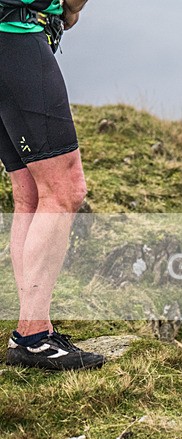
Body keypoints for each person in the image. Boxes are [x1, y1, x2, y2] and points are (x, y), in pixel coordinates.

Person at [1, 0, 105, 370]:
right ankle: (32, 336)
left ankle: (32, 327)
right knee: (65, 189)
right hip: (14, 39)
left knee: (29, 191)